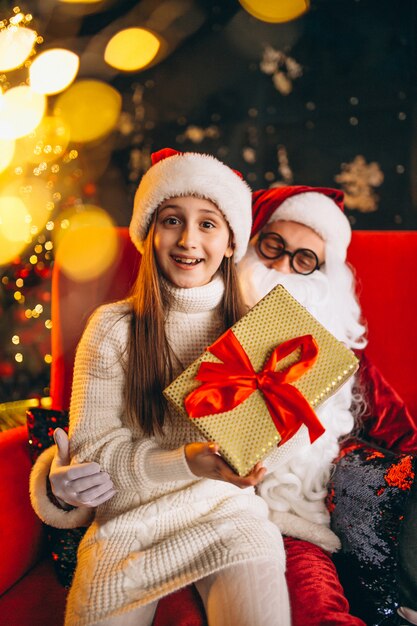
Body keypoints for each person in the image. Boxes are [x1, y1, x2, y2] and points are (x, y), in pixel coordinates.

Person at [32, 184, 416, 624]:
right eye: (273, 246)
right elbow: (91, 446)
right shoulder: (122, 327)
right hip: (146, 515)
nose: (284, 268)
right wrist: (61, 478)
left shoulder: (328, 352)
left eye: (304, 260)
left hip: (273, 518)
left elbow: (400, 439)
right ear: (248, 244)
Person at [31, 147, 294, 626]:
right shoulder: (113, 328)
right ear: (149, 234)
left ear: (233, 242)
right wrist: (188, 459)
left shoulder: (259, 329)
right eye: (172, 220)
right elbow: (98, 457)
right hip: (129, 525)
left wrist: (254, 454)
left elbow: (269, 445)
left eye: (208, 224)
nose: (188, 239)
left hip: (227, 516)